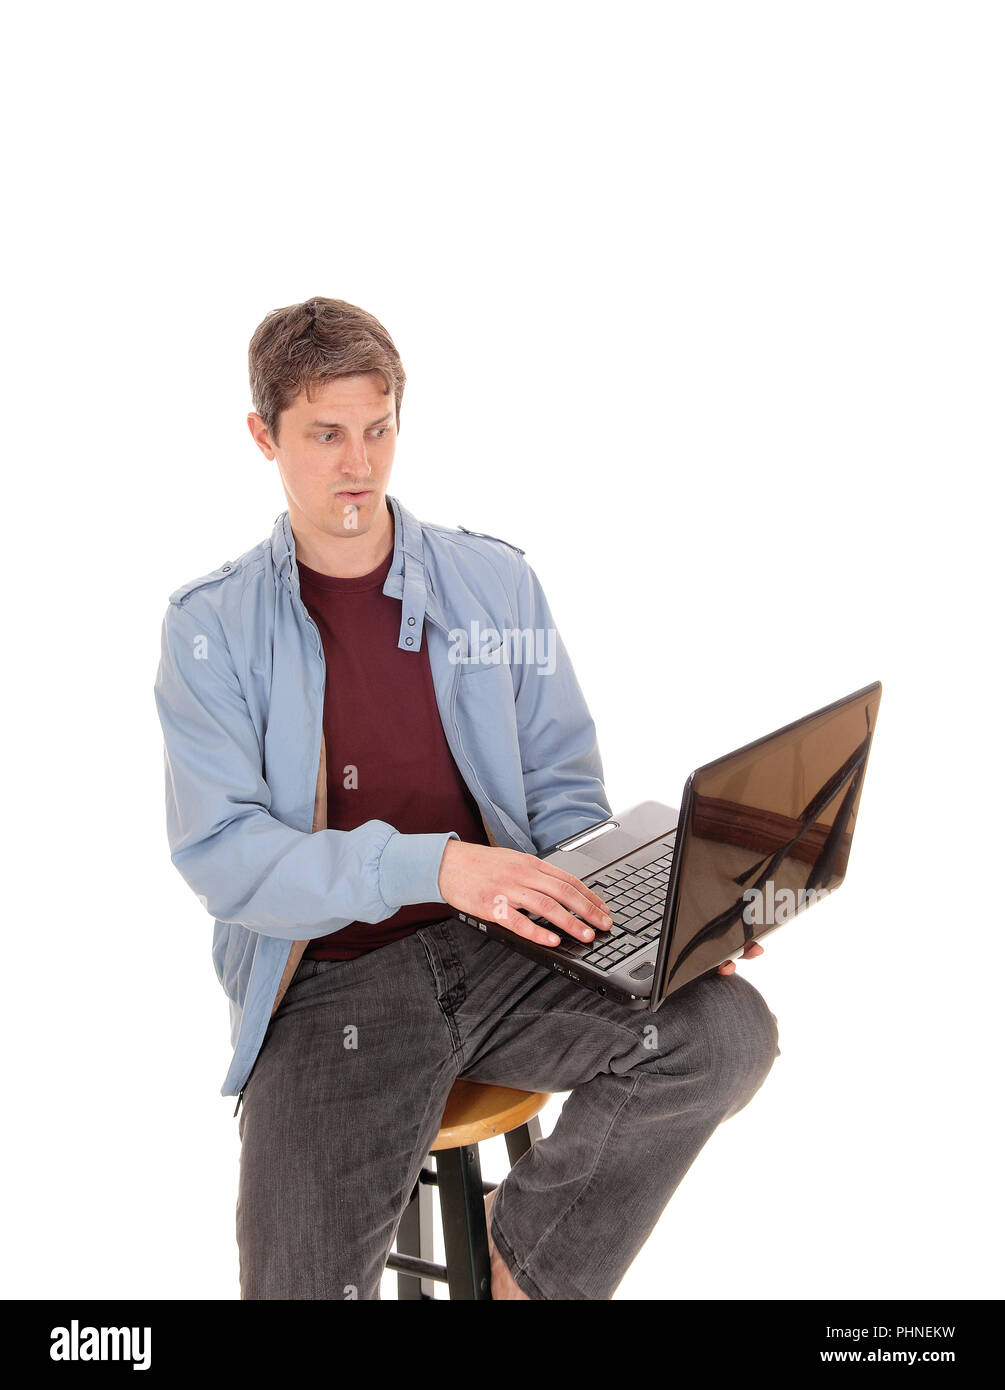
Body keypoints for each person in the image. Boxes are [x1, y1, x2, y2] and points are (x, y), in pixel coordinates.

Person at [153, 295, 779, 1300]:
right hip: (328, 987)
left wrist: (656, 913)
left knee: (726, 1033)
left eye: (378, 427)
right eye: (324, 434)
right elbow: (227, 858)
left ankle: (524, 1259)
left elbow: (568, 793)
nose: (358, 462)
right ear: (263, 436)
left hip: (509, 945)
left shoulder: (494, 584)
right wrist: (435, 863)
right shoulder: (213, 629)